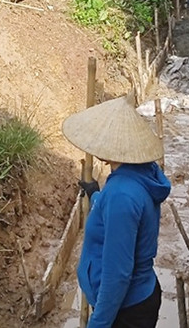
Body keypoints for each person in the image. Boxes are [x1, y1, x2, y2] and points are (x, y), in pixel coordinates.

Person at [62, 94, 171, 328]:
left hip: (125, 310)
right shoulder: (141, 175)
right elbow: (124, 216)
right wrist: (97, 196)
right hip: (137, 299)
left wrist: (98, 323)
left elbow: (118, 274)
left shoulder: (121, 195)